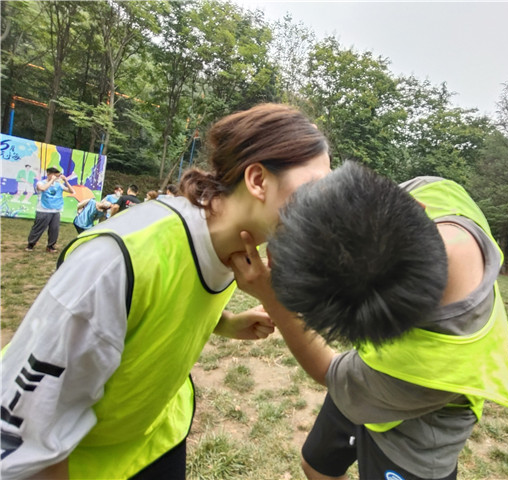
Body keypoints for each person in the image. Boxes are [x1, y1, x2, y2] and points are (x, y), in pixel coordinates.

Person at [0, 103, 331, 479]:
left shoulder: (241, 246)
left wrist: (224, 323)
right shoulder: (115, 261)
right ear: (257, 181)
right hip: (87, 462)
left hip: (160, 436)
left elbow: (158, 306)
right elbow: (32, 427)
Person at [230, 162, 508, 480]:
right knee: (316, 466)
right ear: (413, 207)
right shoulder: (438, 192)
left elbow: (330, 371)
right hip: (367, 379)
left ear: (383, 332)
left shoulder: (424, 368)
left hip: (415, 438)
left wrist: (272, 297)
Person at [25, 167, 75, 253]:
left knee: (54, 229)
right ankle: (31, 244)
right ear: (48, 174)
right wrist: (51, 181)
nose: (55, 176)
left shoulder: (59, 184)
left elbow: (71, 191)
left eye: (57, 174)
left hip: (55, 211)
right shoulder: (40, 183)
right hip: (43, 210)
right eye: (53, 174)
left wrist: (66, 181)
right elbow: (43, 189)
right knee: (38, 228)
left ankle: (50, 246)